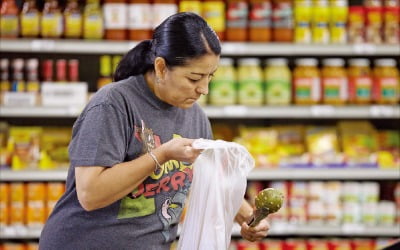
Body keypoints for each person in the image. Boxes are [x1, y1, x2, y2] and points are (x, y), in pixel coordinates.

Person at [39, 12, 269, 249]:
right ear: (161, 68)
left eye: (210, 77)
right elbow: (90, 194)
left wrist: (248, 217)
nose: (204, 89)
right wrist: (161, 155)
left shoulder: (195, 116)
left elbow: (209, 177)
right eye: (194, 78)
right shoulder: (113, 103)